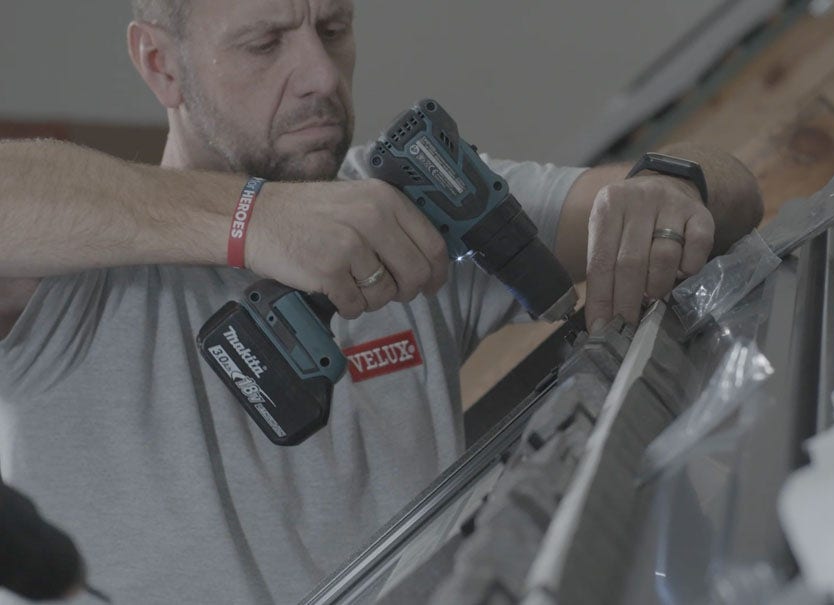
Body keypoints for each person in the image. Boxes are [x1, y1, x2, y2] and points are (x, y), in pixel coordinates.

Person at [0, 0, 762, 602]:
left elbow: (727, 188)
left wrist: (672, 184)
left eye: (333, 29)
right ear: (161, 65)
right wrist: (251, 218)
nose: (320, 77)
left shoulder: (405, 198)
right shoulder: (80, 275)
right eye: (265, 44)